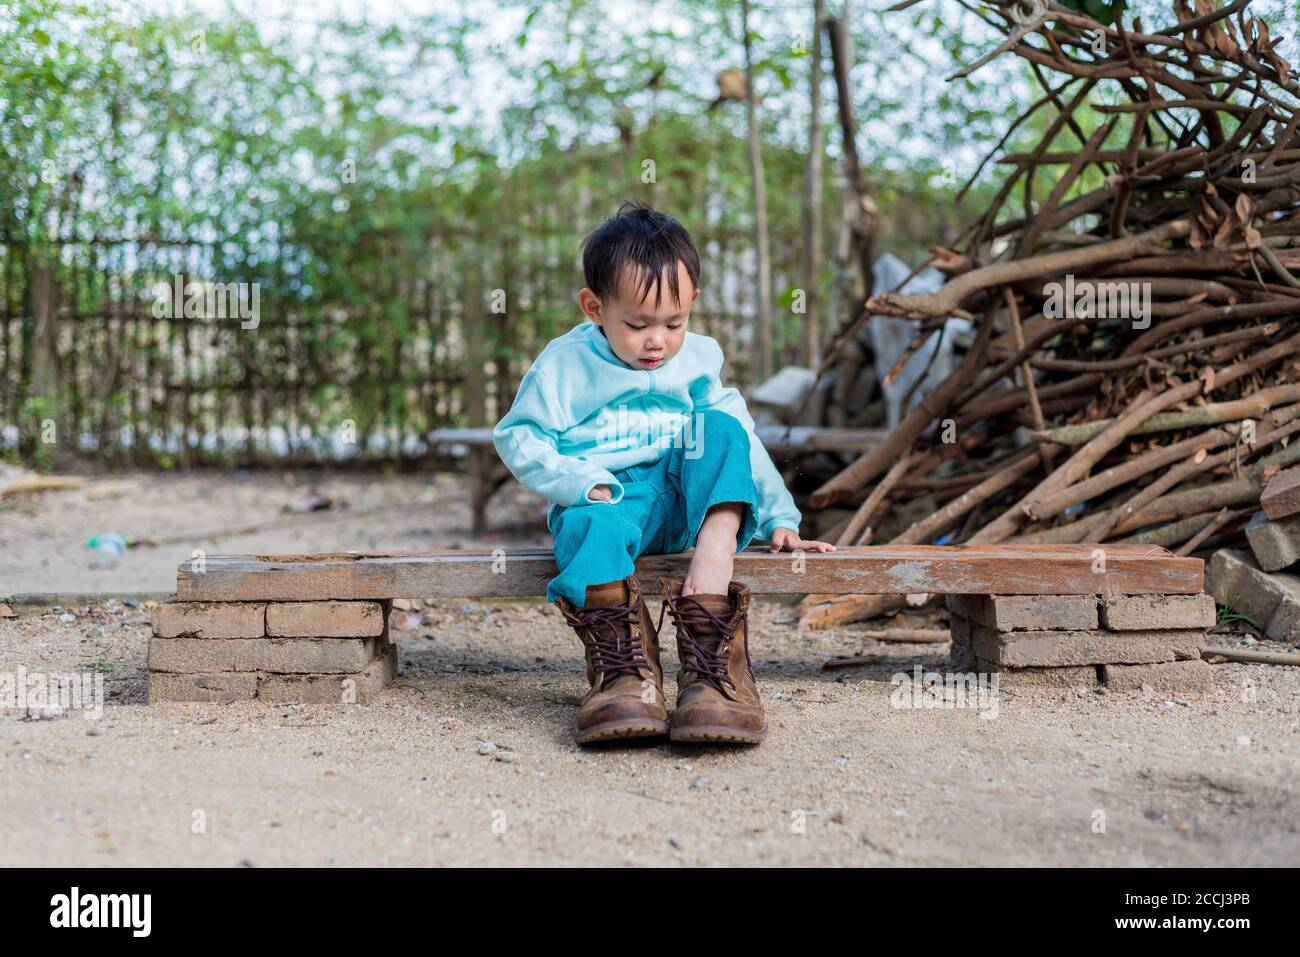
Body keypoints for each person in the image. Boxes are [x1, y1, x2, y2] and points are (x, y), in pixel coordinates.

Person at [492, 200, 835, 746]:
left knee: (720, 427)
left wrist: (779, 516)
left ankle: (709, 611)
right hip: (615, 498)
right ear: (593, 307)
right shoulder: (564, 364)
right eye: (637, 324)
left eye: (674, 322)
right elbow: (519, 435)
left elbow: (741, 440)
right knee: (586, 525)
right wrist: (578, 483)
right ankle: (626, 670)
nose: (658, 341)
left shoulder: (698, 358)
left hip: (688, 504)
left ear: (693, 304)